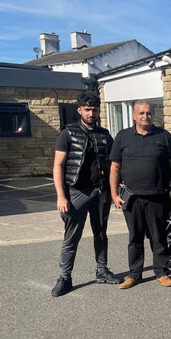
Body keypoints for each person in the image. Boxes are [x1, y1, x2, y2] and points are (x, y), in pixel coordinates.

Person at [51, 91, 122, 297]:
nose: (91, 113)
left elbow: (113, 164)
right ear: (80, 110)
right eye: (88, 109)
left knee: (101, 234)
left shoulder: (104, 134)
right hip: (76, 193)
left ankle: (102, 271)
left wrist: (115, 190)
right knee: (71, 237)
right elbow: (58, 166)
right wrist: (61, 196)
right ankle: (65, 277)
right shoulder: (68, 133)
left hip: (101, 192)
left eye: (95, 110)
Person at [109, 100, 171, 289]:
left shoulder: (164, 136)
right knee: (135, 238)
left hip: (157, 196)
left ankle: (161, 272)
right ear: (134, 115)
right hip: (131, 198)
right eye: (141, 113)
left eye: (148, 113)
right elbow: (115, 167)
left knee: (159, 236)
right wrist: (114, 193)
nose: (145, 116)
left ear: (153, 115)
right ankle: (134, 274)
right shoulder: (123, 137)